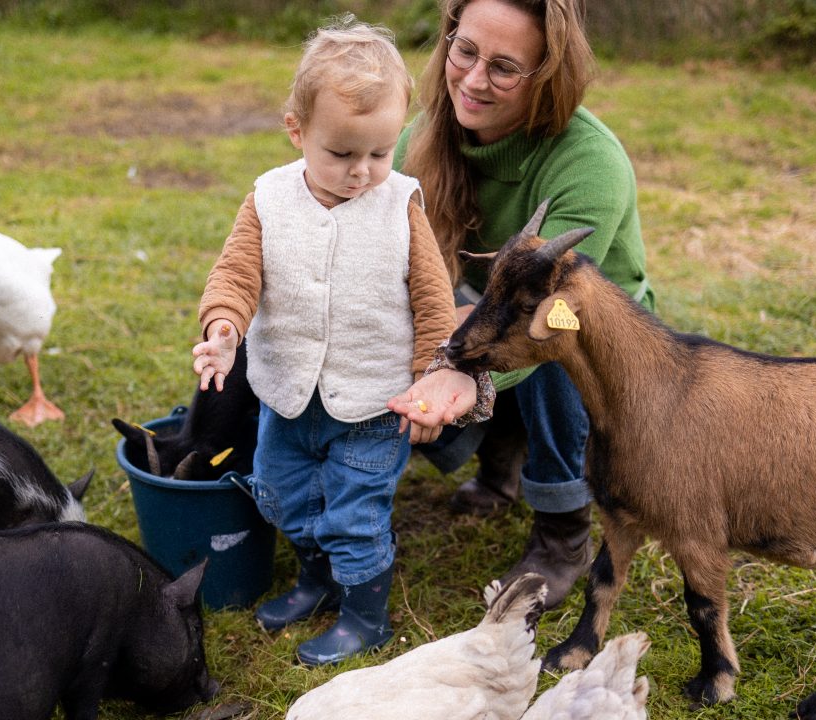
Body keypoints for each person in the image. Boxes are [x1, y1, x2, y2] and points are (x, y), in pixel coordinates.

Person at [192, 16, 483, 666]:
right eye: (342, 154)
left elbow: (434, 303)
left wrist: (433, 377)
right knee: (281, 494)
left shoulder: (400, 206)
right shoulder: (269, 199)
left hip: (374, 408)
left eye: (379, 154)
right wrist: (223, 329)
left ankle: (365, 614)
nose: (361, 172)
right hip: (288, 397)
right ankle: (316, 579)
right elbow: (237, 274)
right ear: (297, 132)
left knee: (355, 513)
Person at [388, 0, 655, 610]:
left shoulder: (591, 163)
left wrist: (452, 368)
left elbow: (539, 312)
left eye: (505, 68)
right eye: (465, 51)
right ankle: (499, 459)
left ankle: (564, 533)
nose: (474, 81)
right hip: (486, 307)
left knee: (558, 333)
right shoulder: (421, 137)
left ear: (547, 79)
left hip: (584, 327)